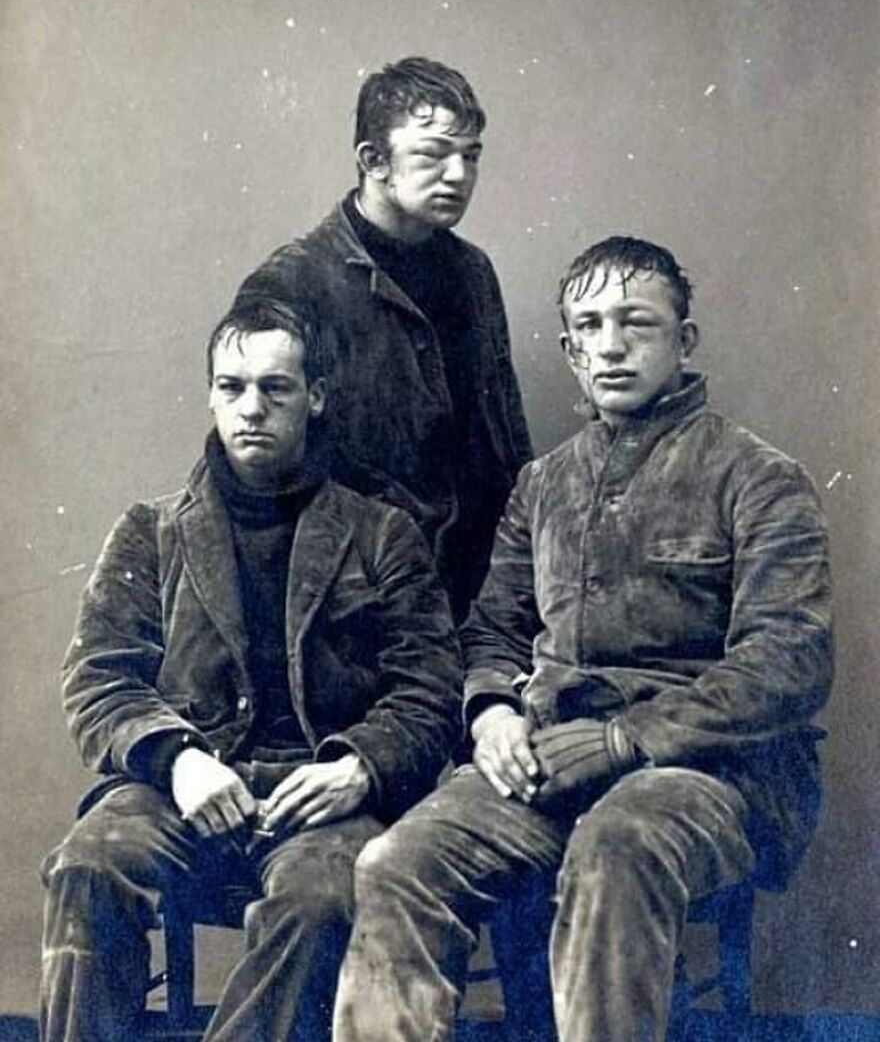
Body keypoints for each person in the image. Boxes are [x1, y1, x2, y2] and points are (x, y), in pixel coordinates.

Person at [332, 236, 833, 1041]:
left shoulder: (759, 478)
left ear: (684, 340)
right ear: (568, 350)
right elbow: (493, 628)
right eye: (590, 326)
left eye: (636, 322)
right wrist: (493, 713)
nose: (611, 344)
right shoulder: (543, 485)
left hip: (707, 773)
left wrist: (622, 739)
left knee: (617, 846)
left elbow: (788, 662)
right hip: (547, 762)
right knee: (397, 862)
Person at [39, 297, 462, 1042]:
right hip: (186, 788)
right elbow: (98, 680)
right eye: (232, 387)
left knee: (325, 898)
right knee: (88, 864)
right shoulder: (153, 531)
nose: (252, 409)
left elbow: (430, 689)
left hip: (320, 797)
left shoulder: (382, 534)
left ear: (316, 397)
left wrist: (360, 768)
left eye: (276, 388)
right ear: (210, 394)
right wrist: (178, 761)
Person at [232, 56, 532, 621]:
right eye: (433, 154)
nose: (458, 175)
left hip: (482, 595)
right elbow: (262, 468)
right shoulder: (292, 284)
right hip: (359, 605)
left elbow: (507, 440)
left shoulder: (473, 273)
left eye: (470, 156)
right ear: (373, 160)